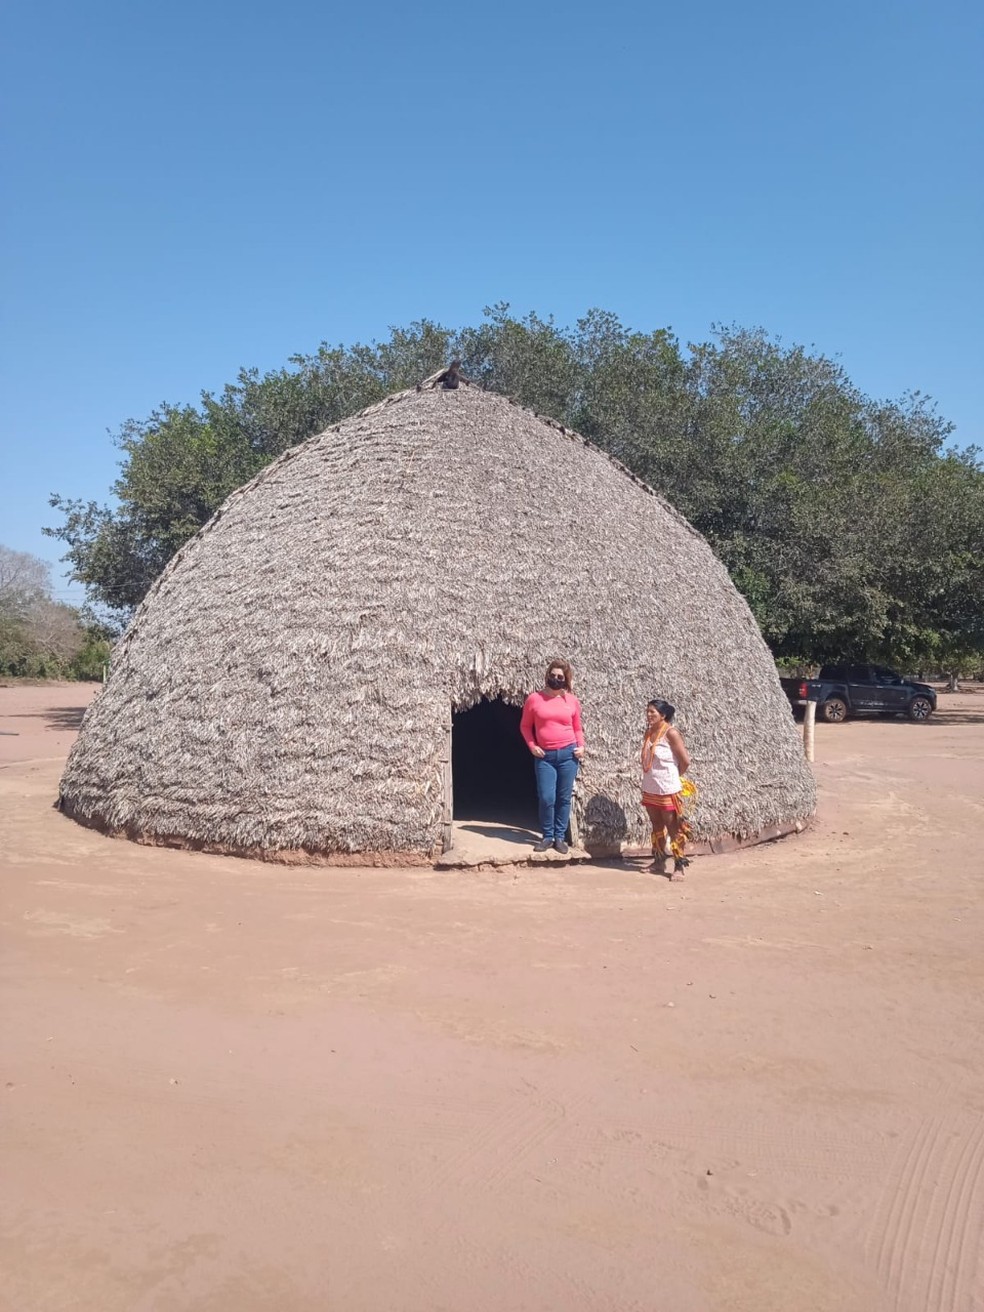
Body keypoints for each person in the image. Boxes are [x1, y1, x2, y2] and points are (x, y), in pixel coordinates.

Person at [520, 659, 585, 854]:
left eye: (560, 677)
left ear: (565, 680)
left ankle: (560, 837)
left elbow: (577, 728)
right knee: (547, 797)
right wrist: (532, 746)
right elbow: (525, 726)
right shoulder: (534, 699)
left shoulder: (571, 701)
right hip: (545, 756)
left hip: (568, 754)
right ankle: (547, 836)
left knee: (564, 798)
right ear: (547, 675)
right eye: (553, 675)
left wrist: (581, 746)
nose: (555, 679)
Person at [641, 698, 693, 879]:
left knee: (673, 826)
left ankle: (679, 865)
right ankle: (658, 860)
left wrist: (673, 778)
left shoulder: (671, 733)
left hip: (668, 788)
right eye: (647, 712)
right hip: (650, 785)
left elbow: (685, 761)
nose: (648, 715)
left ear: (663, 715)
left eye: (652, 713)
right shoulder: (648, 732)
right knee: (656, 825)